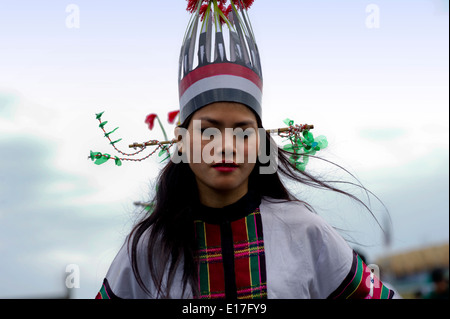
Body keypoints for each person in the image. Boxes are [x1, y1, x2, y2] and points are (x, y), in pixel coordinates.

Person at [95, 0, 397, 299]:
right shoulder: (148, 248)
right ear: (181, 141)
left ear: (261, 142)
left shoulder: (305, 231)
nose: (226, 146)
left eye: (243, 132)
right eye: (208, 131)